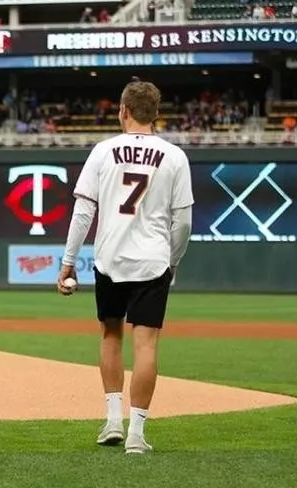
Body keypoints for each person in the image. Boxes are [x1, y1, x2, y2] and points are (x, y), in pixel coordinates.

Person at [57, 78, 193, 455]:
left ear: (123, 111)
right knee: (146, 344)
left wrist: (68, 262)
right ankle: (137, 433)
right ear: (157, 115)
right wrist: (174, 261)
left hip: (109, 257)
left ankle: (113, 421)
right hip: (152, 259)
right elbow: (183, 222)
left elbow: (83, 210)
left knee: (111, 335)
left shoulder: (103, 151)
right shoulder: (174, 156)